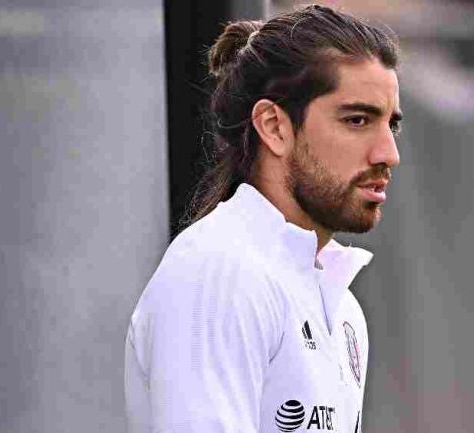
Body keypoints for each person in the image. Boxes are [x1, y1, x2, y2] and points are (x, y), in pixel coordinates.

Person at [124, 5, 402, 433]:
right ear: (274, 127)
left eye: (391, 125)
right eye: (357, 120)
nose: (388, 153)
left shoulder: (341, 307)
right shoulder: (220, 273)